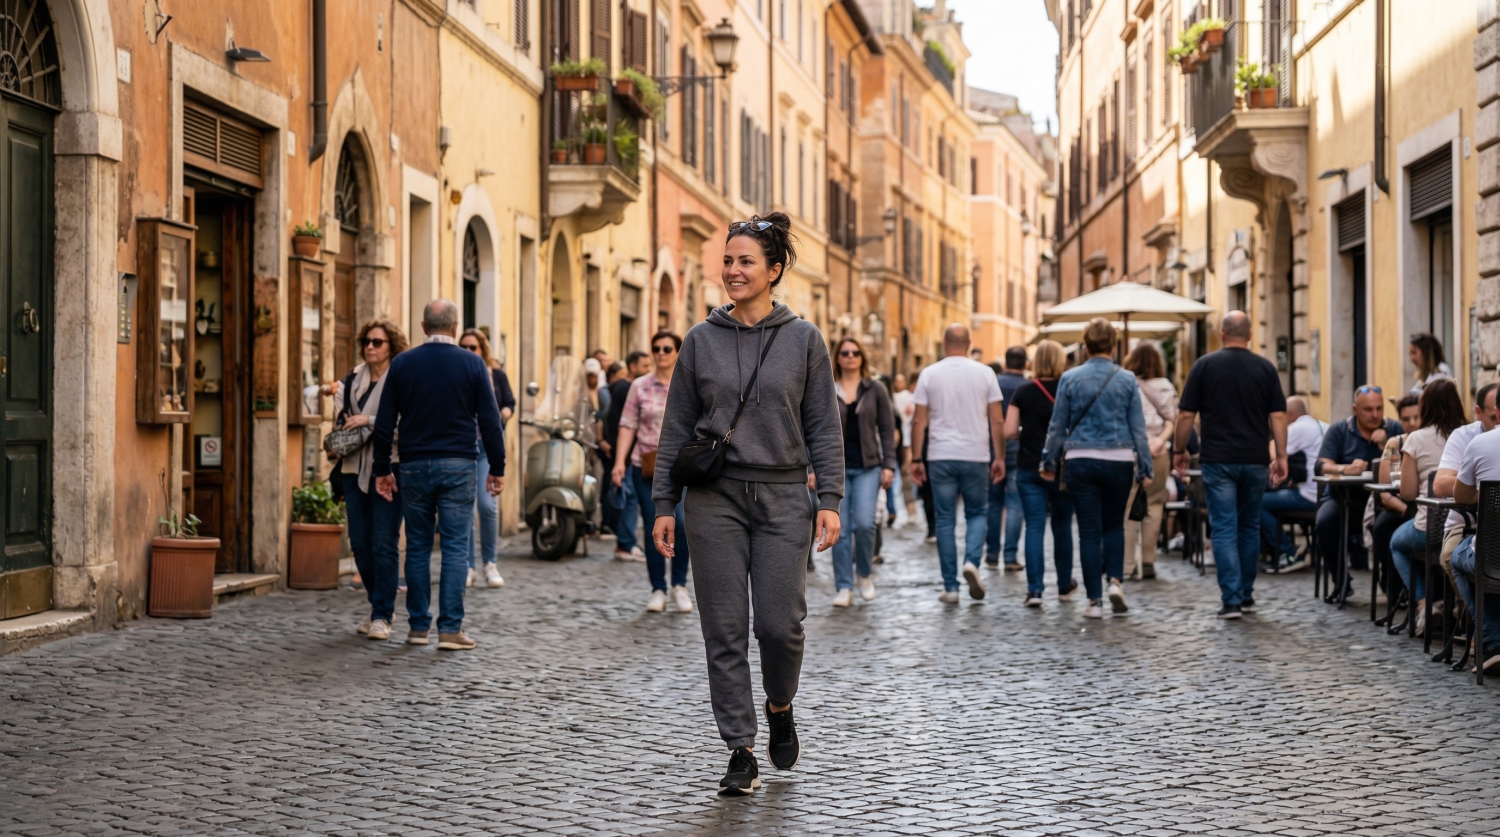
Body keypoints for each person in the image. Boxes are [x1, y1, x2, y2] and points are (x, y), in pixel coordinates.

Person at [651, 213, 843, 795]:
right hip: (715, 499)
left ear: (774, 270)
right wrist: (664, 503)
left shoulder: (805, 340)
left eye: (745, 262)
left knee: (781, 626)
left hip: (784, 496)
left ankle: (780, 704)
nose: (733, 271)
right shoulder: (699, 340)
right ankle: (741, 748)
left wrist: (829, 498)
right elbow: (676, 427)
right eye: (728, 261)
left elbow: (824, 426)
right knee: (725, 629)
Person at [372, 299, 506, 651]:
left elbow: (385, 421)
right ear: (455, 327)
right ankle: (450, 630)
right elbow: (490, 420)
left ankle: (418, 628)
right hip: (459, 464)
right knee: (455, 545)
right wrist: (497, 467)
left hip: (414, 465)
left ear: (423, 326)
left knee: (417, 546)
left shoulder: (403, 363)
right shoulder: (472, 363)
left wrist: (382, 468)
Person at [1173, 312, 1287, 619]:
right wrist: (1281, 456)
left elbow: (1185, 414)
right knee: (1249, 525)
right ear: (1249, 335)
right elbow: (1278, 415)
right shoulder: (1265, 368)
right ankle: (1246, 595)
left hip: (1218, 459)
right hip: (1255, 458)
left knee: (1223, 527)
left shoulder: (1204, 366)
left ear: (1222, 333)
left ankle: (1232, 600)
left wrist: (1179, 450)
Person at [1042, 318, 1152, 619]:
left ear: (1085, 346)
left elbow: (1057, 426)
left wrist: (1048, 461)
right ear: (1113, 346)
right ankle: (1114, 581)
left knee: (1089, 531)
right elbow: (1138, 428)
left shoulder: (1070, 378)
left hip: (1080, 459)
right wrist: (1145, 466)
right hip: (1119, 459)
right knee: (1114, 525)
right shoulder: (1127, 379)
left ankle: (1094, 602)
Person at [910, 324, 1006, 603]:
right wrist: (999, 457)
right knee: (976, 513)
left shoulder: (929, 373)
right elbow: (997, 420)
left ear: (944, 344)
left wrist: (916, 458)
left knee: (944, 519)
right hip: (976, 454)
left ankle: (951, 588)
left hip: (940, 455)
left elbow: (918, 421)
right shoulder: (985, 373)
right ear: (969, 344)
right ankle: (972, 562)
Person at [331, 319, 409, 641]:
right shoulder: (353, 379)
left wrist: (369, 420)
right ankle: (378, 603)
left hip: (390, 468)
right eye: (367, 341)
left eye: (378, 342)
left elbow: (409, 424)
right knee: (360, 544)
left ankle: (382, 615)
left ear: (392, 346)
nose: (370, 347)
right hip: (353, 468)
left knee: (383, 543)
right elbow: (341, 418)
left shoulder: (402, 378)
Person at [612, 332, 693, 613]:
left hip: (683, 468)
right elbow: (627, 424)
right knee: (653, 526)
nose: (661, 353)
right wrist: (619, 462)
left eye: (667, 348)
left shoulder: (688, 384)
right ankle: (658, 588)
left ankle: (679, 585)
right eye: (656, 348)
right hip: (646, 467)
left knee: (681, 525)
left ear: (677, 352)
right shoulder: (639, 386)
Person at [1386, 381, 1465, 636]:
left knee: (1396, 543)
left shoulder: (1416, 439)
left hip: (1429, 528)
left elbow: (1408, 493)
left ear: (1425, 406)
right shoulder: (1468, 435)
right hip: (1464, 524)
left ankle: (1423, 604)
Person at [1003, 339, 1076, 606]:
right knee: (1062, 525)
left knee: (1034, 526)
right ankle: (1064, 585)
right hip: (1062, 468)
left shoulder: (1024, 391)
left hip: (1029, 466)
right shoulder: (1069, 388)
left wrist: (1028, 432)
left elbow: (1009, 431)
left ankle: (1034, 590)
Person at [1314, 385, 1403, 601]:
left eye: (1379, 408)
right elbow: (1321, 465)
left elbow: (1407, 464)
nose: (1375, 414)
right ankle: (1341, 580)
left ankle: (1390, 581)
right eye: (1368, 409)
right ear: (1355, 409)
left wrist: (1387, 445)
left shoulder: (1394, 429)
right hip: (1343, 499)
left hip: (1382, 501)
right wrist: (1344, 468)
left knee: (1388, 526)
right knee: (1325, 522)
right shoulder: (1340, 430)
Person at [830, 336, 896, 606]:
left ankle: (864, 574)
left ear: (862, 357)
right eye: (845, 353)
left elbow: (887, 428)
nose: (850, 357)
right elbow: (810, 428)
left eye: (855, 353)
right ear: (837, 357)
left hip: (868, 466)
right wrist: (811, 467)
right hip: (835, 468)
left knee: (866, 523)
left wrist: (889, 464)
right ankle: (844, 587)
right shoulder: (826, 386)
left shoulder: (875, 388)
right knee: (840, 529)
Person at [459, 328, 511, 590]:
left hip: (486, 448)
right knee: (465, 509)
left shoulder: (496, 374)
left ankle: (490, 563)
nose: (469, 351)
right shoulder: (455, 372)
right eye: (464, 347)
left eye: (473, 347)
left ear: (482, 349)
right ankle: (468, 566)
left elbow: (510, 401)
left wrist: (504, 412)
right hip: (462, 447)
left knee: (487, 505)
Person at [1121, 343, 1176, 581]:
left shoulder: (1125, 384)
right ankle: (1148, 559)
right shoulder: (1166, 386)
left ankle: (1127, 565)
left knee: (1127, 508)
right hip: (1159, 451)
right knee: (1154, 504)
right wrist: (1160, 441)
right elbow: (1172, 420)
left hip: (1130, 451)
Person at [1448, 427, 1500, 675]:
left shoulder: (1481, 443)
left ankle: (1492, 640)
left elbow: (1460, 495)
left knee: (1456, 558)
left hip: (1492, 555)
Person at [1259, 396, 1327, 573]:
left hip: (1310, 497)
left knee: (1257, 503)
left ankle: (1287, 552)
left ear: (1288, 414)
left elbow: (1272, 450)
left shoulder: (1299, 428)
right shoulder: (1321, 425)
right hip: (1326, 495)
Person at [604, 351, 651, 560]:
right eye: (644, 366)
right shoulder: (626, 388)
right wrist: (620, 457)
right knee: (630, 498)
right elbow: (621, 423)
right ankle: (625, 543)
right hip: (629, 454)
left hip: (632, 453)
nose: (648, 370)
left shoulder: (629, 387)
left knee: (631, 498)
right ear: (632, 366)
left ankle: (626, 541)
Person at [987, 346, 1028, 570]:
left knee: (994, 503)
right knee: (1015, 504)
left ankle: (992, 554)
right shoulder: (1028, 386)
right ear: (1025, 364)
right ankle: (1010, 556)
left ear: (1005, 362)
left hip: (993, 450)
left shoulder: (994, 383)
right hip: (1019, 451)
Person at [892, 372, 916, 525]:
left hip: (907, 443)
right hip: (896, 443)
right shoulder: (891, 398)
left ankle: (912, 510)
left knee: (906, 477)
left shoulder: (910, 398)